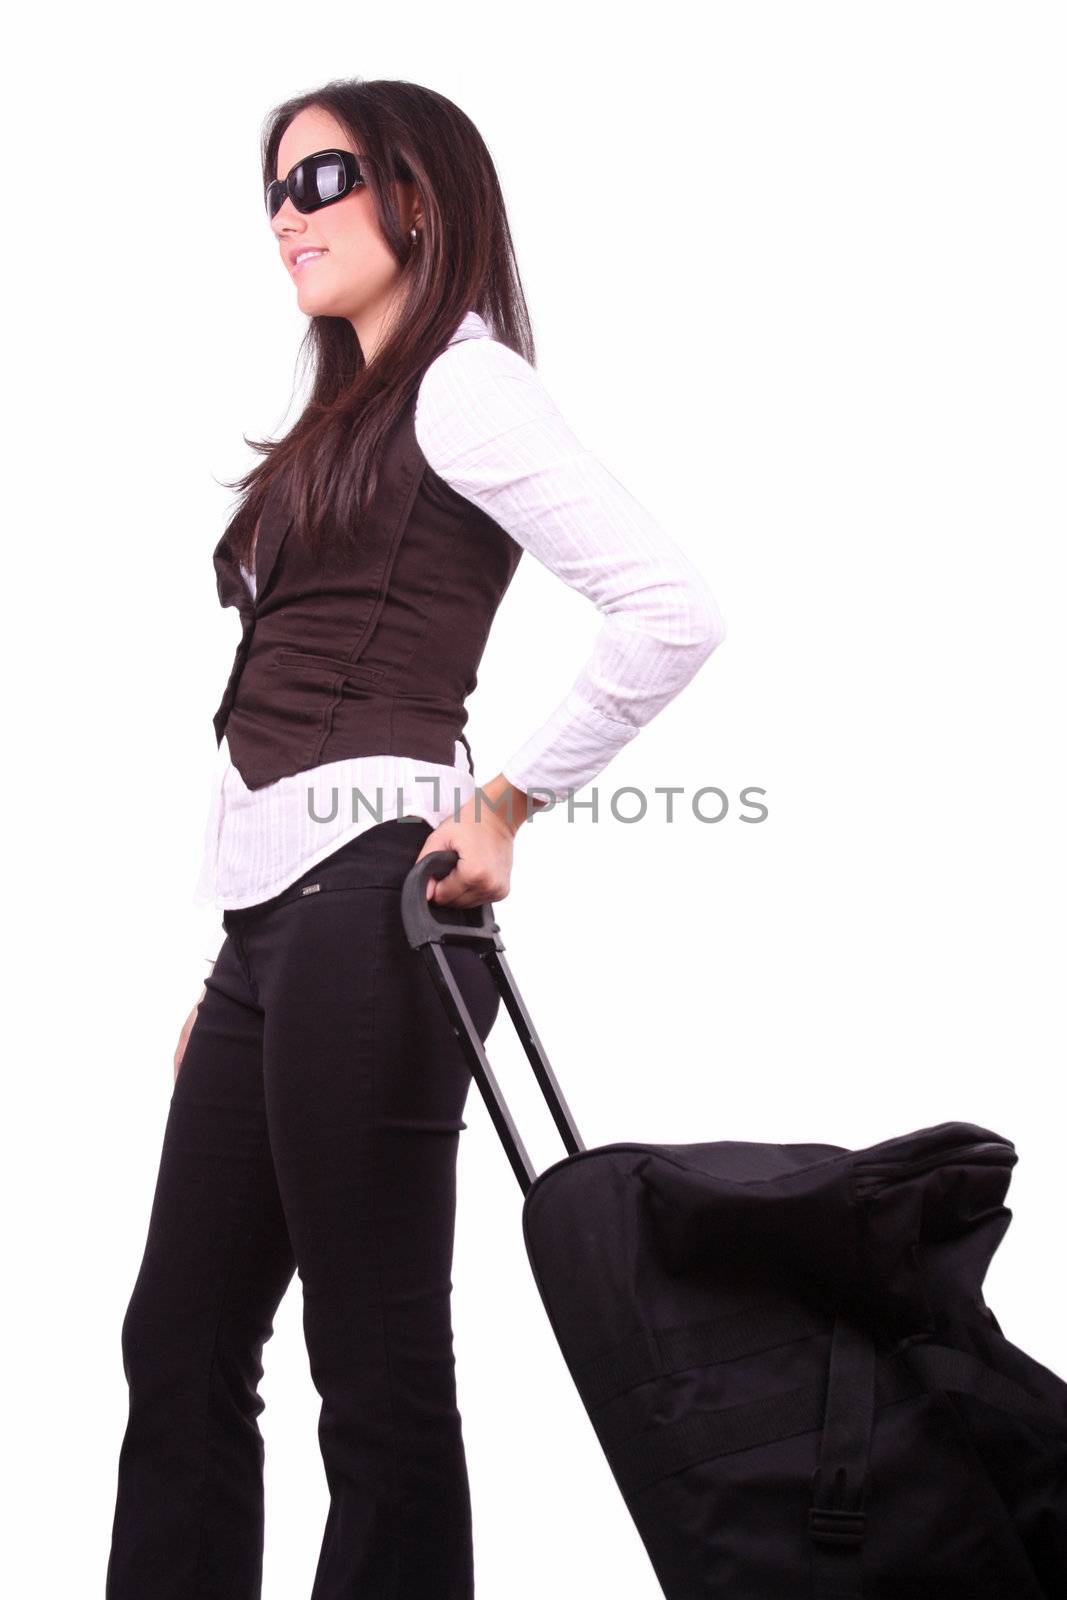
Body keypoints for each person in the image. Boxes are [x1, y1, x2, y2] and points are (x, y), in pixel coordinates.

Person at [106, 76, 725, 1600]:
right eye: (274, 188)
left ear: (418, 197)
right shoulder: (357, 407)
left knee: (371, 1367)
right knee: (179, 1342)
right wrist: (230, 958)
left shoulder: (465, 386)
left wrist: (505, 803)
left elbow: (673, 610)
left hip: (372, 921)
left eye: (324, 179)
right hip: (278, 940)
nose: (289, 214)